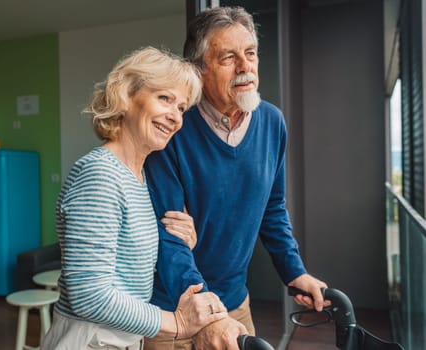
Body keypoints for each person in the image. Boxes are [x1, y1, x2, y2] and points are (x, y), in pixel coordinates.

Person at [143, 7, 329, 350]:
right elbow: (169, 237)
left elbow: (272, 209)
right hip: (174, 309)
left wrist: (294, 271)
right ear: (199, 70)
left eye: (250, 53)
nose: (245, 67)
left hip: (234, 304)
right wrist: (208, 312)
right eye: (228, 57)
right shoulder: (173, 129)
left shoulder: (272, 123)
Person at [40, 47, 228, 350]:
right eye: (164, 99)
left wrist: (181, 242)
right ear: (126, 96)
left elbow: (124, 272)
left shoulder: (138, 179)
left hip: (119, 338)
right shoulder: (100, 175)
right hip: (90, 339)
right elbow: (89, 295)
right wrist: (176, 323)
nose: (175, 117)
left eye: (181, 107)